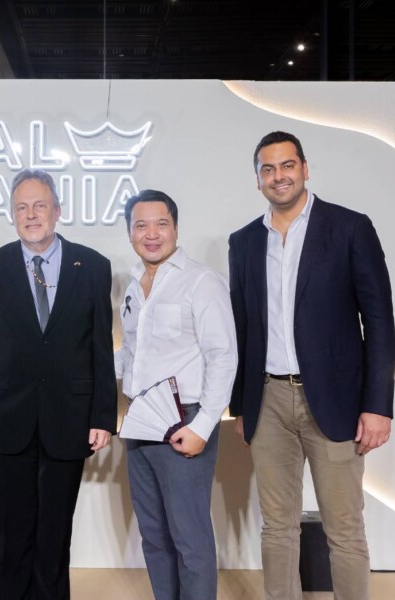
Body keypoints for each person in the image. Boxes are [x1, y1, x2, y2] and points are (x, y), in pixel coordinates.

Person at [228, 131, 395, 600]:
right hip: (268, 400)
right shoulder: (244, 241)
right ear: (257, 179)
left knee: (344, 528)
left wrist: (377, 406)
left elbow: (379, 321)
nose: (278, 176)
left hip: (336, 401)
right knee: (277, 526)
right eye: (267, 169)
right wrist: (242, 406)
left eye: (287, 165)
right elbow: (242, 327)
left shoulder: (350, 228)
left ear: (304, 169)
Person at [0, 169, 117, 600]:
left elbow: (100, 345)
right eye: (21, 208)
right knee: (9, 537)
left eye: (39, 205)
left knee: (54, 535)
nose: (31, 215)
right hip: (5, 419)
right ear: (13, 215)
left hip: (69, 418)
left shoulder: (93, 266)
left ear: (57, 211)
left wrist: (103, 414)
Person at [115, 190, 237, 600]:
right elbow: (132, 356)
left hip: (184, 420)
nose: (151, 234)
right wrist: (80, 368)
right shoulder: (133, 286)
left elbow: (223, 356)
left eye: (161, 224)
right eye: (141, 225)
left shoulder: (202, 281)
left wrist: (203, 426)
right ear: (130, 232)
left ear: (176, 229)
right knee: (154, 536)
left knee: (189, 538)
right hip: (139, 422)